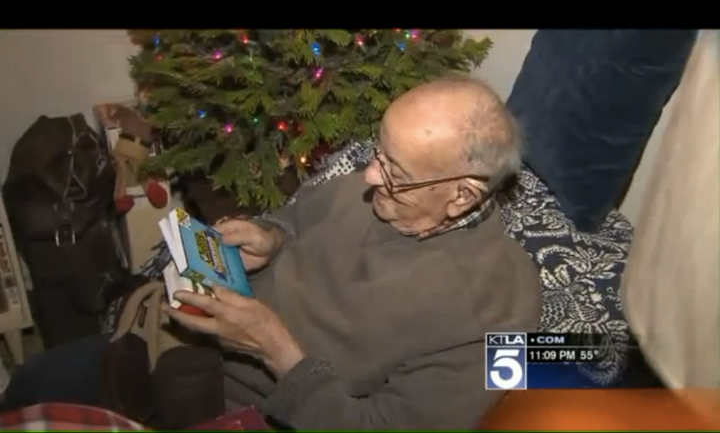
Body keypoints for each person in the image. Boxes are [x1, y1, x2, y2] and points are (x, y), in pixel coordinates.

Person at [5, 77, 542, 430]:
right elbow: (296, 219)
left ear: (462, 195)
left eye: (395, 172)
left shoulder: (505, 315)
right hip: (177, 347)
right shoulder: (366, 189)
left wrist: (277, 352)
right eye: (379, 153)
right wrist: (272, 236)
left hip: (251, 412)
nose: (370, 175)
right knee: (32, 385)